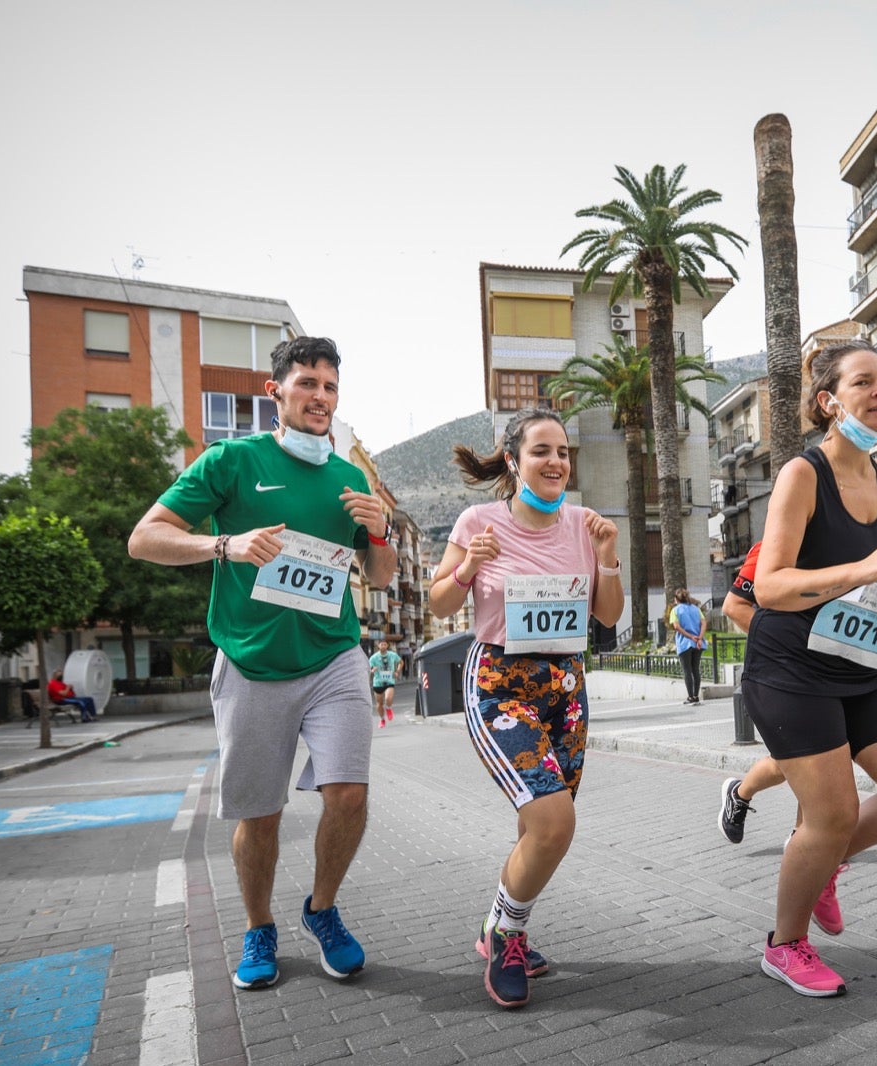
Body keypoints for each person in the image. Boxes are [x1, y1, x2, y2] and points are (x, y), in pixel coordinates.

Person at [127, 336, 396, 992]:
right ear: (275, 391)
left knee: (349, 794)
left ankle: (322, 909)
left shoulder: (350, 477)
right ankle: (259, 926)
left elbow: (382, 577)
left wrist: (381, 530)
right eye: (308, 383)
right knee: (261, 813)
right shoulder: (232, 461)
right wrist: (227, 544)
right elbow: (144, 538)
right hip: (251, 662)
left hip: (334, 655)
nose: (321, 398)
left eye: (330, 387)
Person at [740, 339, 877, 997]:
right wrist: (865, 567)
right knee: (830, 815)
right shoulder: (802, 474)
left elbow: (871, 563)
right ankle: (785, 945)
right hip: (788, 669)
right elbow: (770, 586)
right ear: (829, 401)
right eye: (864, 382)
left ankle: (826, 862)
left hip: (856, 662)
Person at [429, 406, 624, 1010]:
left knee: (537, 825)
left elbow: (608, 615)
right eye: (542, 451)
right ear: (514, 462)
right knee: (554, 822)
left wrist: (608, 554)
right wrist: (468, 566)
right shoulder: (478, 521)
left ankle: (501, 928)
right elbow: (439, 605)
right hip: (500, 684)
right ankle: (506, 934)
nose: (556, 461)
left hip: (565, 686)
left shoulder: (585, 525)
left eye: (563, 451)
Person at [717, 542, 790, 846]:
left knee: (821, 758)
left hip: (832, 670)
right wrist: (789, 649)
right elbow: (734, 606)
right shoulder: (773, 545)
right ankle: (740, 793)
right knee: (797, 760)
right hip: (780, 671)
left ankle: (814, 837)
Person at [671, 588, 705, 705]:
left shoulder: (675, 610)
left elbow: (676, 626)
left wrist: (690, 636)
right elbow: (703, 623)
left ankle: (690, 696)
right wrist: (699, 638)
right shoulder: (696, 609)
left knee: (687, 670)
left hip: (684, 642)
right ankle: (696, 696)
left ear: (676, 599)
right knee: (695, 669)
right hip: (698, 643)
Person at [368, 639, 402, 727]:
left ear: (387, 646)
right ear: (378, 646)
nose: (383, 646)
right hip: (378, 682)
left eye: (385, 644)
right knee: (379, 704)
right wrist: (372, 670)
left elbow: (401, 662)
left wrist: (397, 671)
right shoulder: (373, 657)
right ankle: (382, 720)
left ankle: (388, 708)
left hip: (389, 680)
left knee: (388, 698)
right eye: (381, 644)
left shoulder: (392, 655)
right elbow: (369, 668)